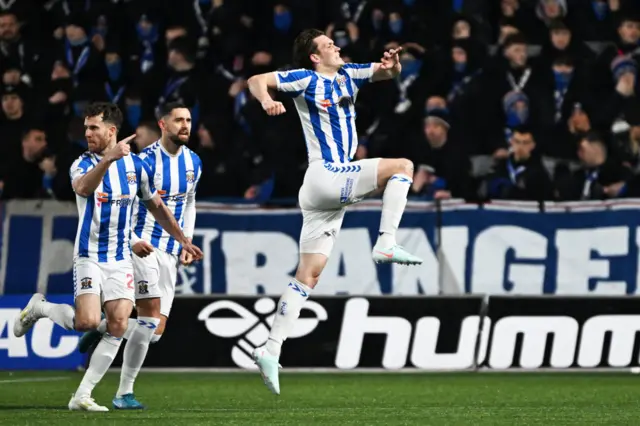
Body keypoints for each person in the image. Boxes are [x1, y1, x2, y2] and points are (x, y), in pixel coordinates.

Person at [246, 28, 423, 395]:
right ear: (314, 56)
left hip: (325, 191)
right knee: (403, 166)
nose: (337, 46)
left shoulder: (349, 73)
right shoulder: (306, 79)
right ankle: (386, 242)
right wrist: (266, 100)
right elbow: (256, 79)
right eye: (328, 45)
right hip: (325, 175)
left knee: (308, 276)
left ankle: (269, 349)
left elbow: (387, 73)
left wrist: (393, 66)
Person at [12, 102, 203, 411]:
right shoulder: (82, 163)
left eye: (93, 128)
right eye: (86, 128)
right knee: (86, 321)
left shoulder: (136, 168)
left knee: (117, 324)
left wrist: (183, 239)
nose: (87, 133)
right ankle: (40, 308)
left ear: (111, 131)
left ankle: (82, 396)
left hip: (120, 259)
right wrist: (107, 160)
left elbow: (157, 206)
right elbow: (84, 189)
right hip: (88, 255)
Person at [76, 102, 202, 409]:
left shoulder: (194, 162)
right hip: (145, 247)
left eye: (188, 120)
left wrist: (186, 241)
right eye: (178, 120)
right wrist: (132, 240)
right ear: (163, 124)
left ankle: (106, 327)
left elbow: (187, 204)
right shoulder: (144, 160)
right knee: (147, 321)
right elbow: (126, 209)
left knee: (154, 331)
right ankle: (123, 393)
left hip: (170, 252)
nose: (185, 125)